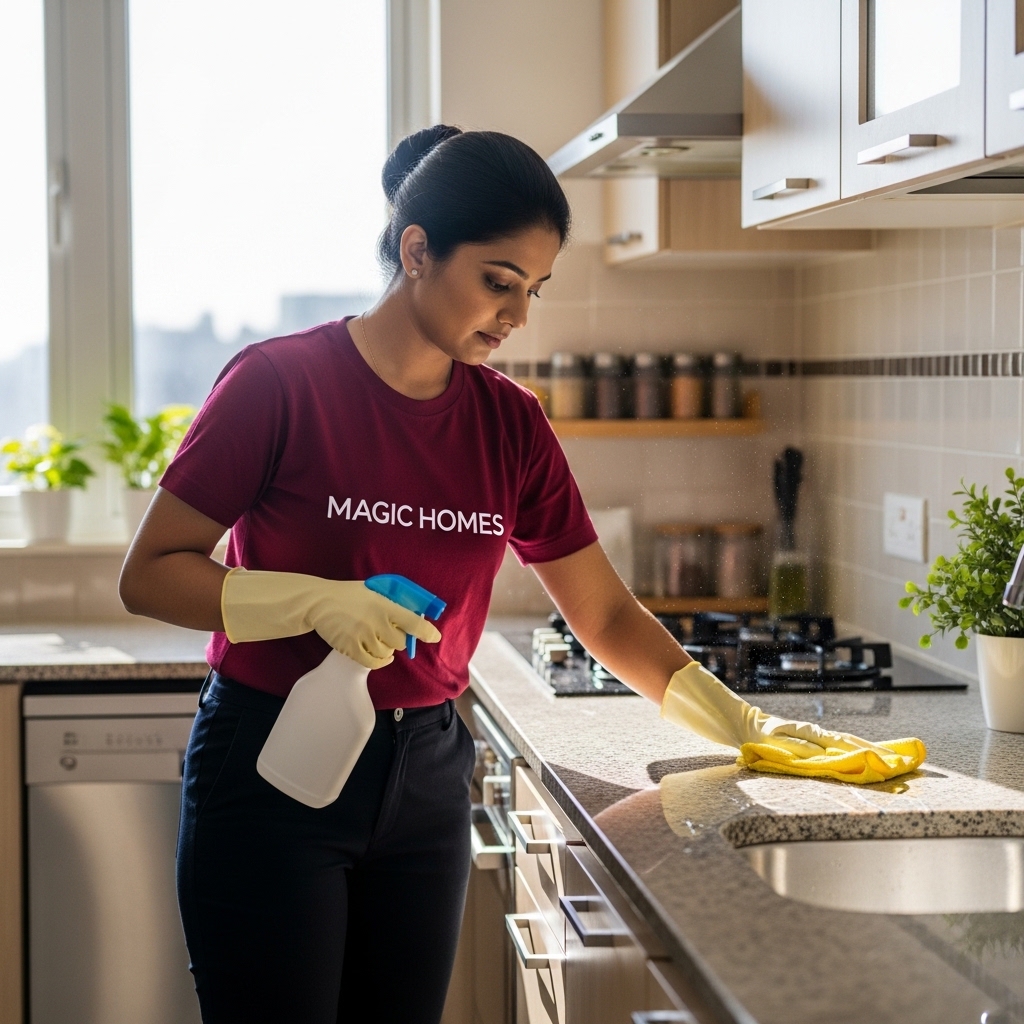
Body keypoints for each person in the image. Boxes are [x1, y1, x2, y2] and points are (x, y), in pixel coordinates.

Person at [119, 125, 923, 1024]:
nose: (516, 316)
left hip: (424, 772)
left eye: (533, 290)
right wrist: (311, 602)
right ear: (417, 250)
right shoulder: (281, 383)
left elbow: (604, 613)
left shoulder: (511, 424)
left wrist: (735, 718)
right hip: (271, 765)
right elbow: (150, 575)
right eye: (498, 282)